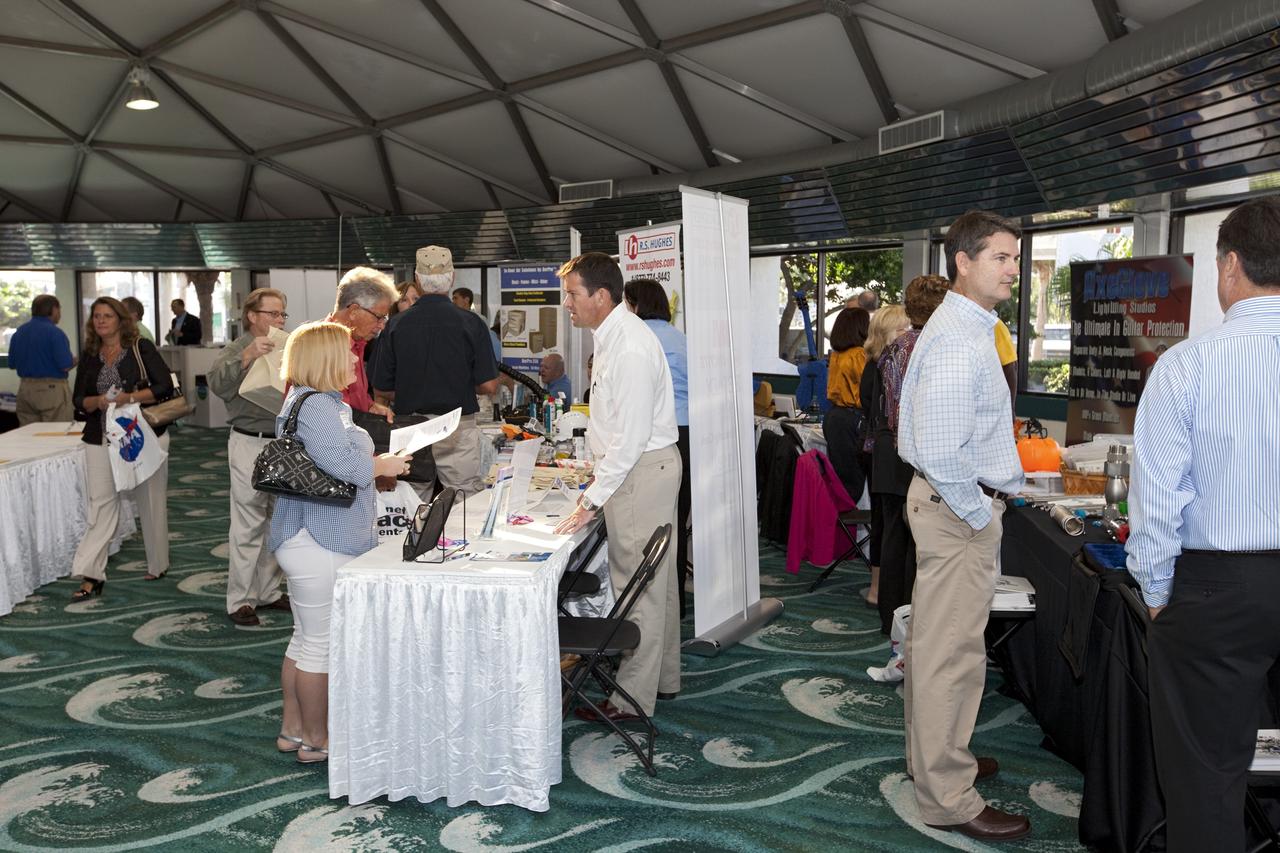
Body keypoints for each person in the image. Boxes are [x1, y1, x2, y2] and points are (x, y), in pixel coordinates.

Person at [1126, 196, 1280, 853]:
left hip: (1217, 592)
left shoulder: (1186, 365)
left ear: (1231, 267)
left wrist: (1156, 592)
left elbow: (1158, 500)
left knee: (1207, 780)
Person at [897, 210, 1027, 841]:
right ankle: (948, 795)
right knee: (950, 657)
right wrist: (979, 512)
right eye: (1000, 257)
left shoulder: (966, 324)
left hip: (951, 507)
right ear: (963, 261)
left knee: (937, 650)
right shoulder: (958, 337)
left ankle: (937, 762)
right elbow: (939, 450)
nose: (1013, 268)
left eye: (1015, 257)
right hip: (956, 511)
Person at [269, 321, 412, 765]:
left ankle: (294, 730)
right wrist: (383, 463)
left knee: (305, 639)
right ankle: (316, 739)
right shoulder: (316, 407)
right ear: (326, 359)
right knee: (320, 645)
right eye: (347, 353)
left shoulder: (310, 402)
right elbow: (344, 466)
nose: (355, 359)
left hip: (307, 536)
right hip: (320, 537)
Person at [554, 253, 681, 721]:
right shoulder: (614, 335)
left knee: (638, 587)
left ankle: (630, 702)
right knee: (656, 584)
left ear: (601, 296)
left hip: (639, 472)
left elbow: (628, 440)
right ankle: (660, 680)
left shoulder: (626, 345)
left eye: (572, 294)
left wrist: (591, 500)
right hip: (641, 468)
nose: (567, 303)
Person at [70, 296, 175, 599]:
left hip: (140, 436)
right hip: (99, 437)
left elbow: (164, 386)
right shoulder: (90, 355)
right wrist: (99, 402)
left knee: (150, 501)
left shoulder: (141, 348)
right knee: (100, 504)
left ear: (120, 320)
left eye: (107, 316)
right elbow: (79, 400)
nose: (101, 321)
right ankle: (91, 574)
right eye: (96, 317)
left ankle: (158, 563)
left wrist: (129, 397)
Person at [373, 245, 498, 496]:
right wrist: (457, 384)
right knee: (462, 501)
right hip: (458, 427)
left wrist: (415, 387)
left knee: (412, 500)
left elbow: (381, 388)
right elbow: (489, 386)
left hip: (411, 427)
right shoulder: (472, 323)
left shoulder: (395, 325)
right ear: (452, 278)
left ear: (418, 280)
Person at [208, 287, 291, 627]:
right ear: (252, 316)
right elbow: (216, 384)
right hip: (248, 442)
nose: (279, 320)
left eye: (282, 314)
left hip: (283, 442)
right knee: (247, 522)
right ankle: (240, 599)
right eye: (273, 313)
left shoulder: (288, 345)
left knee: (278, 520)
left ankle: (269, 591)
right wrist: (246, 358)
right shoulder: (237, 348)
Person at [623, 277, 692, 618]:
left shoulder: (638, 339)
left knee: (646, 522)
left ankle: (646, 607)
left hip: (653, 436)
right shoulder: (681, 338)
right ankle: (674, 601)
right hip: (687, 433)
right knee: (675, 522)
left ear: (635, 305)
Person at [856, 303, 909, 608]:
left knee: (885, 524)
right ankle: (887, 599)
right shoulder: (887, 367)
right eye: (901, 329)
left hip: (879, 454)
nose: (908, 334)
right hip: (888, 455)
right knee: (891, 528)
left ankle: (880, 592)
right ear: (885, 333)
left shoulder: (873, 364)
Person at [823, 306, 871, 504]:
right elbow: (866, 390)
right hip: (853, 419)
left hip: (835, 416)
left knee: (842, 476)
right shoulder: (859, 355)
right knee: (856, 479)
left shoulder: (836, 355)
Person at [9, 294, 75, 426]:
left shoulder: (19, 332)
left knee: (29, 436)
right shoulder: (55, 333)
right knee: (57, 433)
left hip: (25, 390)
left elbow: (12, 364)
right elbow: (65, 365)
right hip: (51, 391)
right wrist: (79, 359)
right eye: (59, 310)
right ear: (54, 309)